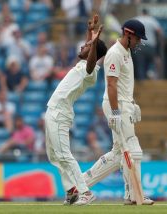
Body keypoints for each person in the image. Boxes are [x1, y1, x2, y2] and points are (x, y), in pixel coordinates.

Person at [83, 19, 154, 205]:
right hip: (116, 106)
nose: (139, 42)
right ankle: (135, 196)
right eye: (138, 38)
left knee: (118, 154)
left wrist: (132, 103)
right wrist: (115, 112)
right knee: (133, 150)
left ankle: (80, 184)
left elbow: (123, 85)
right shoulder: (114, 53)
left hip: (124, 104)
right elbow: (111, 84)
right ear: (128, 34)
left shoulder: (127, 52)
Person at [44, 15, 107, 206]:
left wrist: (94, 43)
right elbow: (88, 52)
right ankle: (71, 191)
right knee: (54, 156)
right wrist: (91, 33)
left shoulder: (91, 72)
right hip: (53, 110)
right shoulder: (82, 64)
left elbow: (91, 60)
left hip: (60, 113)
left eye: (87, 45)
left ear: (93, 53)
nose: (82, 46)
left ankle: (85, 192)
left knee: (63, 154)